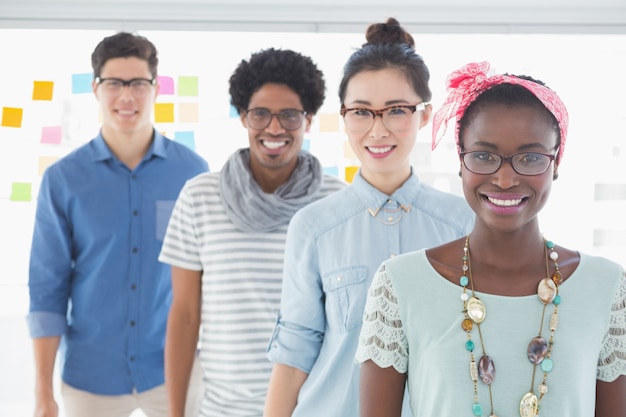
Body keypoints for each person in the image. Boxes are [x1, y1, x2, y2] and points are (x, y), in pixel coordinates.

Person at [356, 60, 626, 417]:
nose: (504, 179)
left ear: (556, 164)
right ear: (461, 162)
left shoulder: (606, 286)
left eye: (530, 158)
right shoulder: (400, 283)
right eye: (483, 156)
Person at [264, 18, 474, 417]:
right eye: (361, 112)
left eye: (397, 110)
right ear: (343, 116)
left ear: (424, 116)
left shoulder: (463, 224)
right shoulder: (313, 227)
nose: (378, 130)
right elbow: (293, 355)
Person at [27, 32, 209, 417]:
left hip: (175, 371)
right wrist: (43, 393)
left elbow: (209, 278)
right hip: (91, 378)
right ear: (96, 89)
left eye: (138, 84)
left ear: (155, 89)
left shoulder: (192, 173)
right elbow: (47, 289)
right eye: (114, 83)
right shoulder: (62, 180)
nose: (126, 96)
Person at [158, 47, 345, 417]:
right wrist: (176, 413)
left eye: (289, 115)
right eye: (260, 114)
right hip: (221, 410)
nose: (274, 128)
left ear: (308, 121)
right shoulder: (200, 197)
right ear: (243, 116)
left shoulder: (336, 202)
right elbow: (184, 316)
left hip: (312, 407)